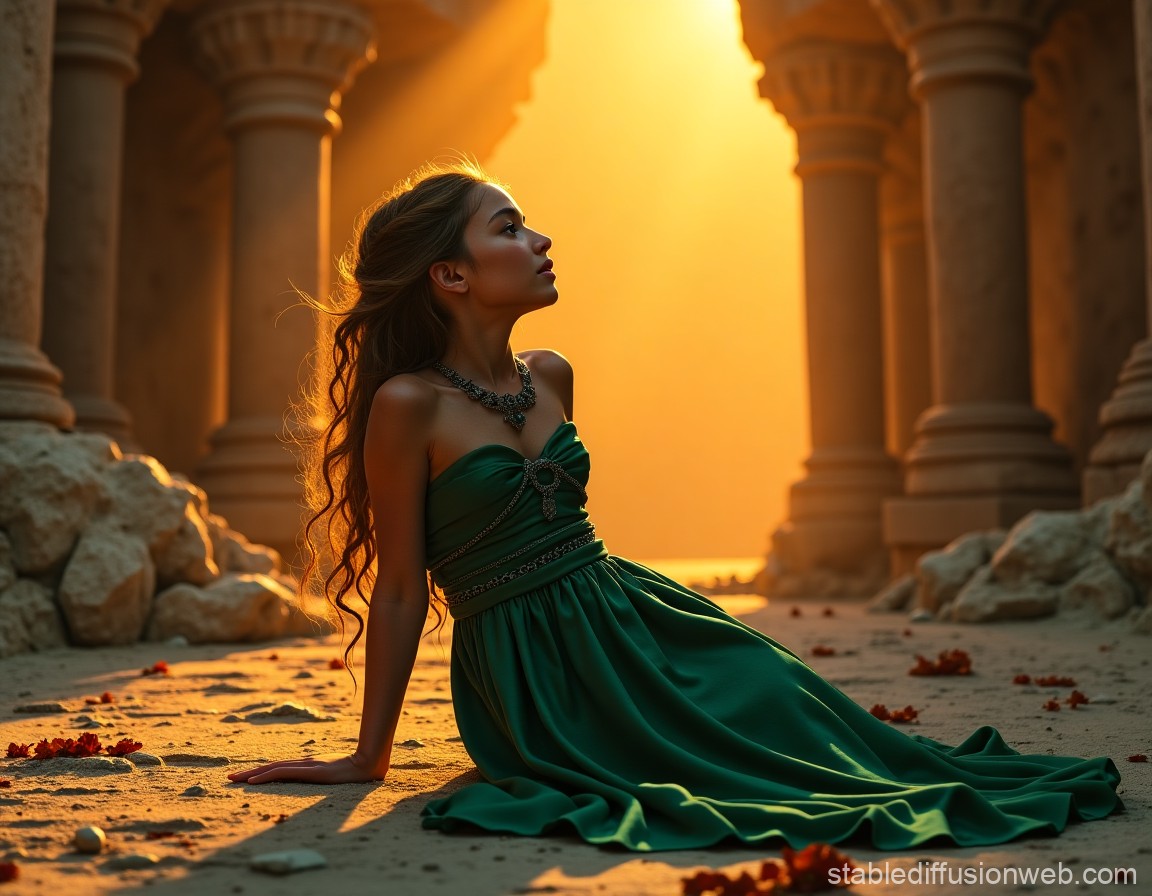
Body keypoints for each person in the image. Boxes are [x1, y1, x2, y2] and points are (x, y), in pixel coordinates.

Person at [228, 161, 1122, 851]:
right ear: (451, 277)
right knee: (710, 780)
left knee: (800, 712)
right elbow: (397, 587)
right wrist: (367, 757)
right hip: (534, 675)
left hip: (640, 617)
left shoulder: (552, 375)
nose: (540, 239)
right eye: (509, 227)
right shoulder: (407, 405)